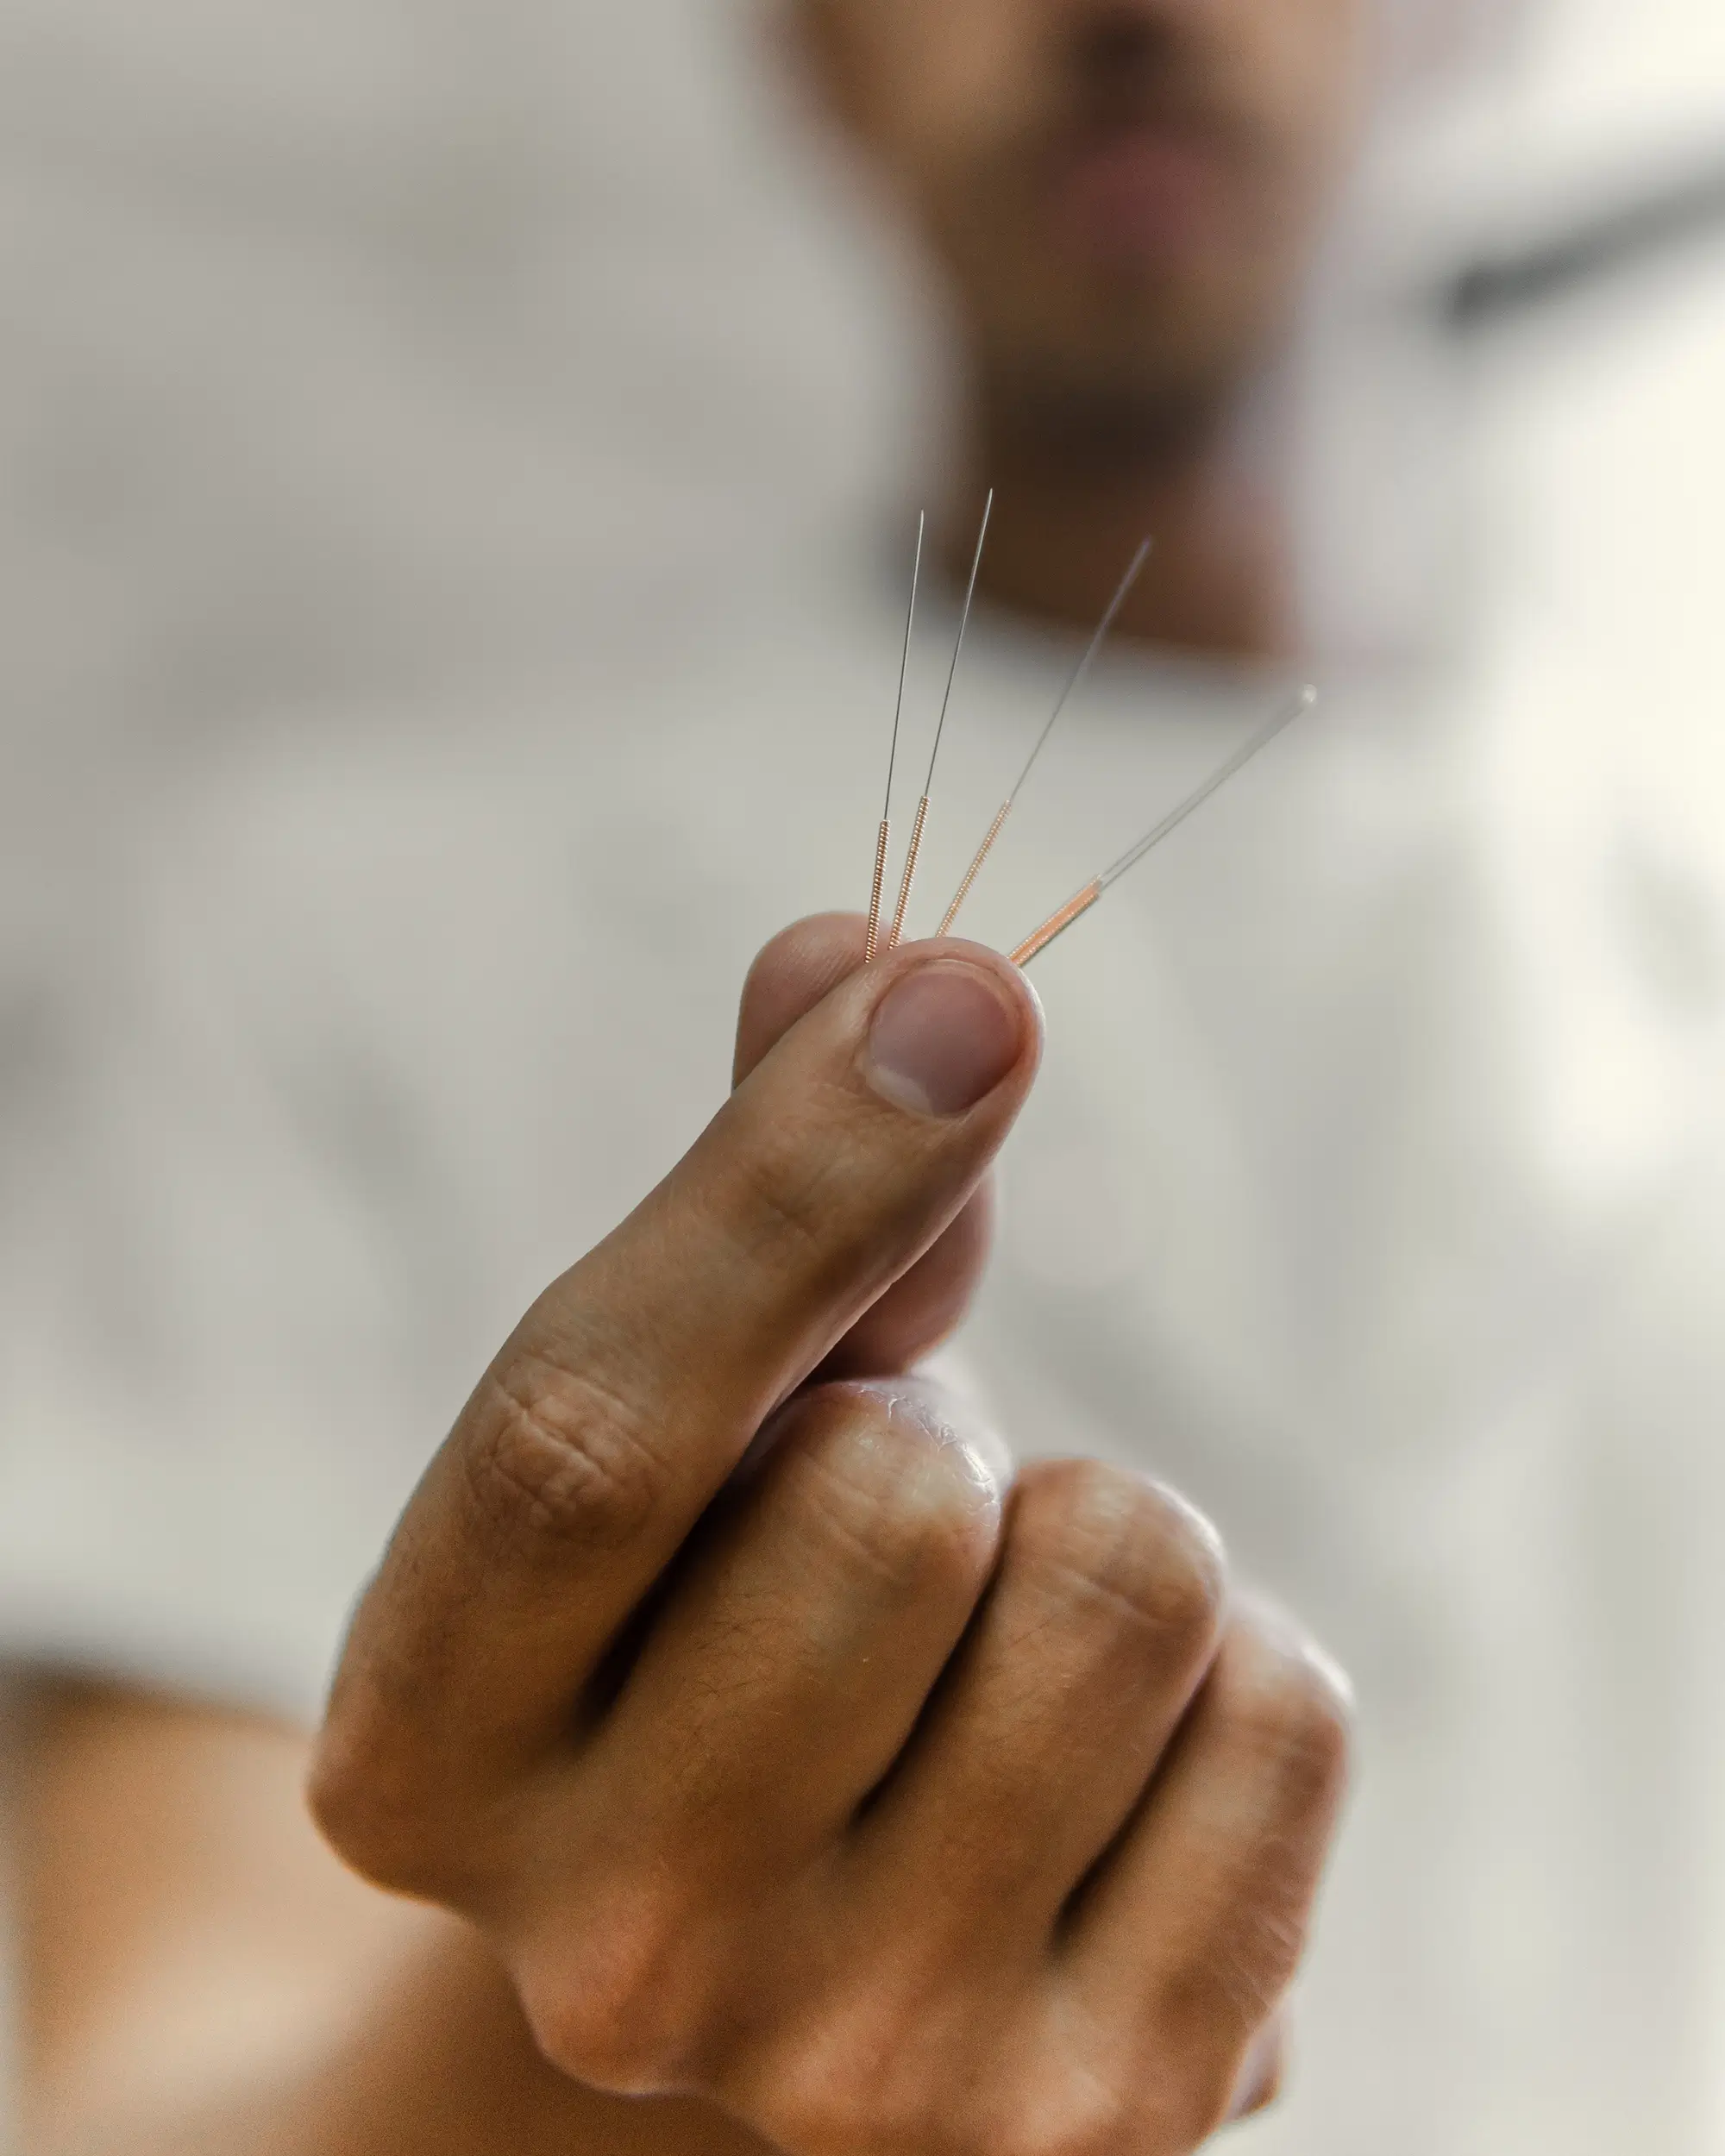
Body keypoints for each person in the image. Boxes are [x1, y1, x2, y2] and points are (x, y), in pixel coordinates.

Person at [6, 0, 1725, 2151]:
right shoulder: (339, 934)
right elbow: (143, 2102)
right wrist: (592, 2029)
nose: (1125, 10)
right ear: (813, 48)